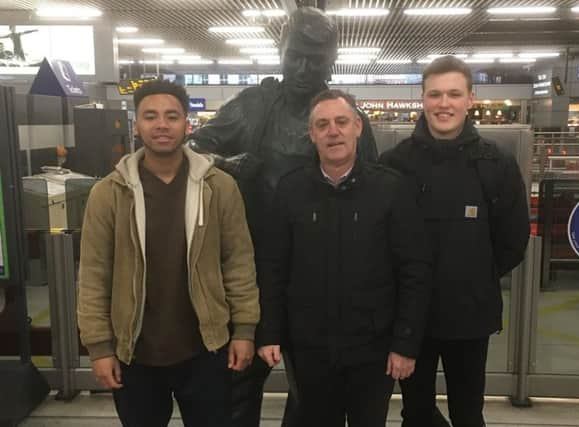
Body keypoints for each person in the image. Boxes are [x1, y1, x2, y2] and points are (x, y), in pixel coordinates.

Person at [186, 7, 378, 427]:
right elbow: (192, 148)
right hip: (251, 273)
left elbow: (372, 192)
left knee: (314, 394)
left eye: (317, 59)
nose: (304, 68)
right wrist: (227, 162)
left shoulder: (343, 116)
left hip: (320, 279)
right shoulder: (253, 105)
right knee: (239, 383)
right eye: (296, 56)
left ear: (333, 60)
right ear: (281, 52)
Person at [77, 79, 259, 427]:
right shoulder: (109, 194)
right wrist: (99, 348)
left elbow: (238, 262)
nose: (161, 124)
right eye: (151, 116)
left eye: (171, 116)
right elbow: (93, 275)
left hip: (206, 348)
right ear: (137, 124)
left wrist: (244, 331)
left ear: (186, 124)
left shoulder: (219, 187)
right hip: (134, 352)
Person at [256, 89, 431, 427]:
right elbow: (273, 267)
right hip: (308, 351)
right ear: (312, 134)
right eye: (322, 125)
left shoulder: (390, 189)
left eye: (341, 122)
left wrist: (405, 343)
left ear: (358, 127)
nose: (332, 131)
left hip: (374, 350)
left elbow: (414, 270)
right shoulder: (291, 191)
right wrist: (269, 332)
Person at [380, 56, 530, 427]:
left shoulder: (496, 164)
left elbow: (513, 239)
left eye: (453, 94)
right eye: (435, 94)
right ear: (422, 99)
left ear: (470, 99)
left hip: (471, 316)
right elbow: (380, 240)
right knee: (415, 411)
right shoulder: (393, 165)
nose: (443, 103)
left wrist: (474, 274)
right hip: (412, 319)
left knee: (468, 411)